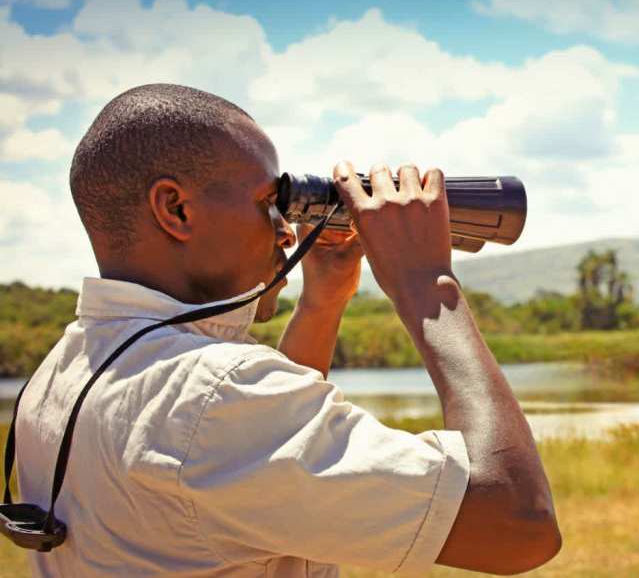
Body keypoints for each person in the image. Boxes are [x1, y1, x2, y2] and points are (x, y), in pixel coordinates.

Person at [13, 84, 561, 576]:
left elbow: (258, 475)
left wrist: (322, 303)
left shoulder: (67, 367)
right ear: (175, 210)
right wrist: (427, 284)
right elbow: (516, 524)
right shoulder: (211, 398)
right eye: (265, 204)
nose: (284, 232)